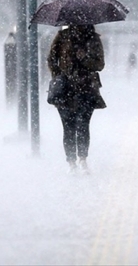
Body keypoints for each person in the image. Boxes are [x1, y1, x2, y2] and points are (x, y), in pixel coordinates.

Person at [47, 24, 106, 174]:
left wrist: (85, 58)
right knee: (68, 127)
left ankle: (83, 159)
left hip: (86, 88)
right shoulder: (62, 37)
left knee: (83, 125)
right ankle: (71, 162)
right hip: (65, 90)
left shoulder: (93, 39)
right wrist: (59, 76)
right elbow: (51, 59)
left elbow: (100, 64)